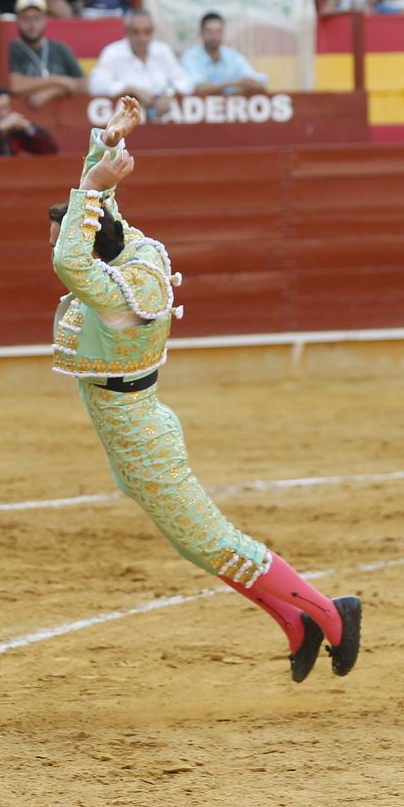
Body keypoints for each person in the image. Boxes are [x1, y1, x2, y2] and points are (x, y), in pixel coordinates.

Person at [46, 96, 363, 683]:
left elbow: (72, 254)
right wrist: (106, 146)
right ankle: (297, 626)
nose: (62, 238)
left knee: (214, 540)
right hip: (139, 427)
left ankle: (332, 614)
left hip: (140, 439)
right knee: (198, 545)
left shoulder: (118, 297)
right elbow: (96, 220)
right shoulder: (130, 253)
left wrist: (92, 183)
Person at [87, 8, 193, 118]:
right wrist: (131, 90)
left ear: (153, 32)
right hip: (125, 120)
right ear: (127, 32)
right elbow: (95, 85)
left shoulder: (163, 51)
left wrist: (169, 94)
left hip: (163, 119)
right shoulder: (113, 53)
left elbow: (186, 81)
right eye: (136, 32)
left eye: (147, 32)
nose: (141, 38)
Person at [6, 0, 88, 106]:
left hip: (61, 116)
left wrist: (52, 92)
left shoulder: (59, 48)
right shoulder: (11, 49)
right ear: (17, 20)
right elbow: (15, 86)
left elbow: (82, 84)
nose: (32, 25)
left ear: (45, 19)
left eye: (36, 18)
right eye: (26, 19)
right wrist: (58, 80)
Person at [180, 11, 268, 94]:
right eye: (209, 31)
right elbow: (196, 87)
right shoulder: (190, 57)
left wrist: (250, 84)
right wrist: (234, 84)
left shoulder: (233, 56)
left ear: (223, 33)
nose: (214, 36)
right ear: (201, 33)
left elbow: (259, 82)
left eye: (218, 31)